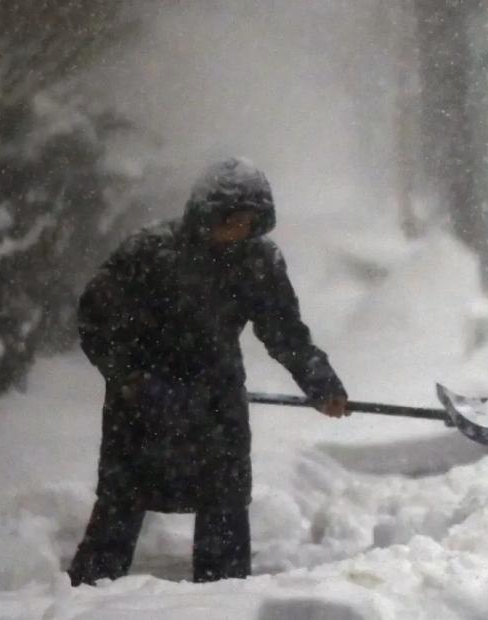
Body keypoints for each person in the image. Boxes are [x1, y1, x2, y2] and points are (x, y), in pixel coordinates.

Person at [68, 157, 348, 585]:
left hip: (217, 404)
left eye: (249, 222)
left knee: (224, 512)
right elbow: (95, 319)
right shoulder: (149, 251)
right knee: (119, 509)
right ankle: (83, 599)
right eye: (231, 220)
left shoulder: (258, 261)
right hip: (142, 406)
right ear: (205, 214)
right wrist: (128, 378)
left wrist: (321, 383)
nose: (238, 231)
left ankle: (225, 604)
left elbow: (285, 332)